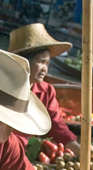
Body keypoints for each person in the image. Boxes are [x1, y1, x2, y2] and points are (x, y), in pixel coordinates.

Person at [8, 23, 80, 156]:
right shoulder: (3, 86)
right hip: (6, 151)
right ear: (24, 62)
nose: (45, 69)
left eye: (47, 63)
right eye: (41, 62)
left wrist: (76, 147)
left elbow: (56, 126)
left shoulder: (46, 91)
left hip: (28, 153)